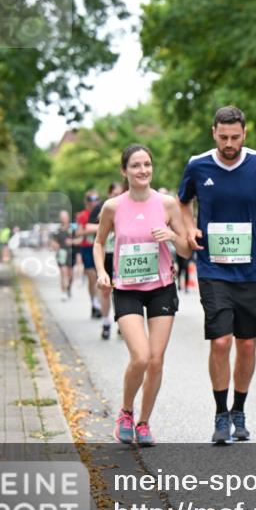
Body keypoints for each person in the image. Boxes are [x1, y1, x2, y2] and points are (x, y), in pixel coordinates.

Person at [178, 106, 256, 445]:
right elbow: (182, 201)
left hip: (253, 267)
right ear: (213, 132)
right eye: (223, 137)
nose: (229, 143)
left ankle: (239, 409)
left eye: (235, 137)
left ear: (244, 133)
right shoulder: (197, 165)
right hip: (213, 266)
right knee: (221, 340)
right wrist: (189, 229)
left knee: (246, 342)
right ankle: (220, 414)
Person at [95, 145, 191, 446]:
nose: (143, 170)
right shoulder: (112, 207)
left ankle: (144, 422)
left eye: (147, 164)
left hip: (161, 286)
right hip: (127, 289)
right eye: (136, 165)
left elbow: (188, 249)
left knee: (157, 360)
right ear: (124, 171)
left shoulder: (167, 204)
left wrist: (173, 237)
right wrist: (101, 271)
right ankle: (125, 412)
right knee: (140, 357)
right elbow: (99, 243)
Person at [87, 182, 126, 339]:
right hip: (106, 254)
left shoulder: (127, 206)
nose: (117, 196)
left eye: (120, 193)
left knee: (122, 291)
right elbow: (88, 228)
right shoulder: (103, 207)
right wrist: (106, 226)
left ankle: (122, 324)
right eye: (115, 193)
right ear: (110, 193)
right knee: (105, 291)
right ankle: (105, 323)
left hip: (123, 255)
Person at [76, 190, 101, 318]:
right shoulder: (83, 215)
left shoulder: (102, 212)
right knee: (92, 278)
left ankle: (100, 303)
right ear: (87, 202)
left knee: (100, 277)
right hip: (87, 248)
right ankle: (94, 304)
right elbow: (78, 233)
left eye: (96, 199)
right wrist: (89, 230)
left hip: (101, 248)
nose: (94, 202)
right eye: (91, 199)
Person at [52, 210, 76, 300]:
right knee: (63, 272)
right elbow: (53, 242)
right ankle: (64, 292)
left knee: (70, 275)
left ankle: (68, 287)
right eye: (62, 217)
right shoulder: (57, 231)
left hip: (71, 254)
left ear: (68, 218)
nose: (63, 219)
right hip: (61, 254)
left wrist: (72, 241)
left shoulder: (73, 229)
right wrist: (55, 245)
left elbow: (80, 240)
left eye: (65, 217)